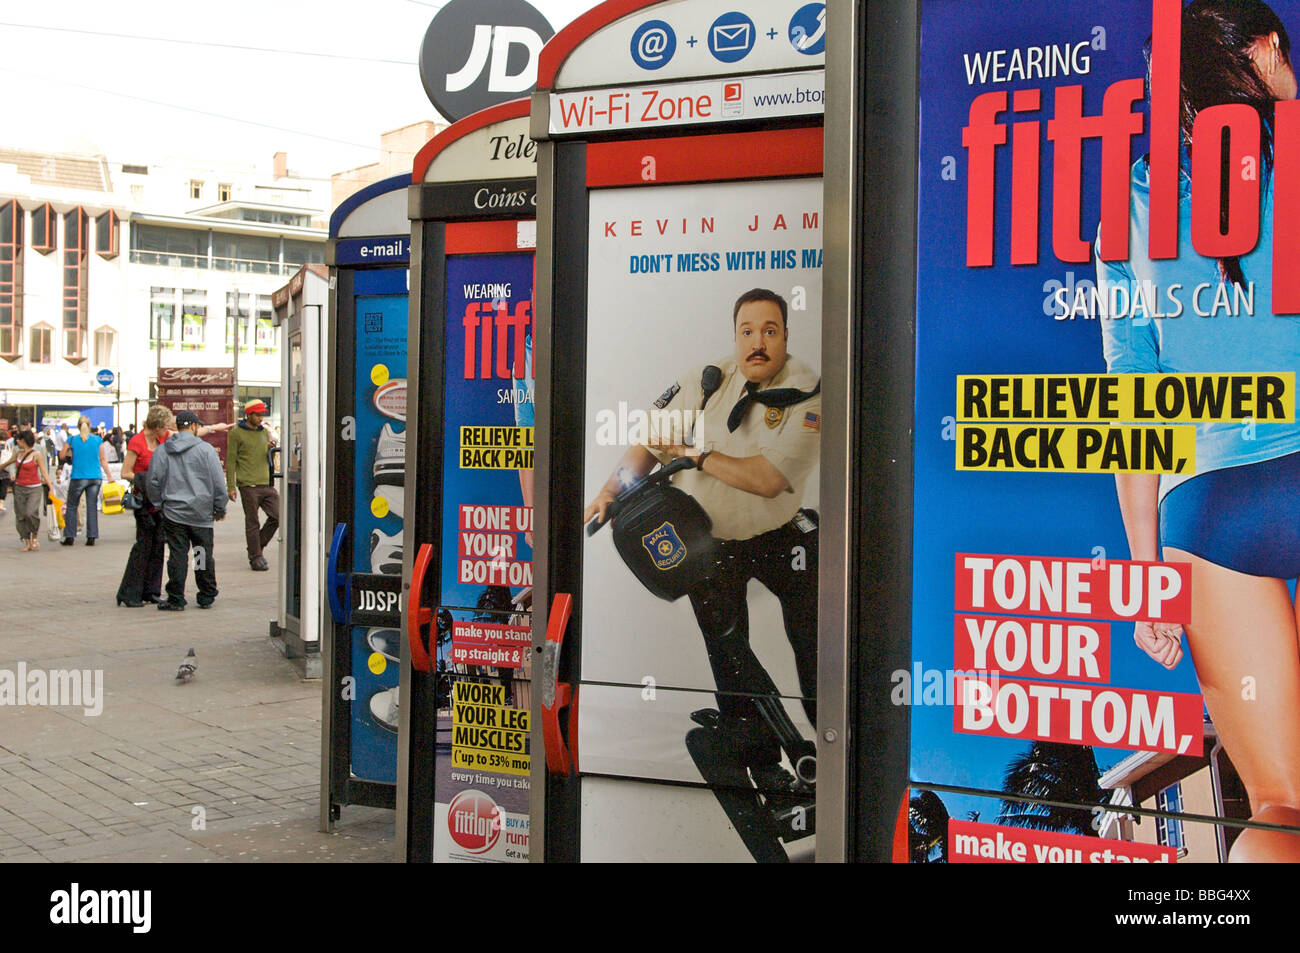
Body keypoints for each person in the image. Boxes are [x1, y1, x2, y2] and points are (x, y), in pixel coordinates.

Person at [1099, 0, 1300, 861]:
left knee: (1283, 799)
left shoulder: (1132, 204)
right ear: (1260, 49)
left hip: (1212, 506)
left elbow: (1135, 406)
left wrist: (1144, 571)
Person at [583, 287, 821, 791]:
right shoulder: (708, 381)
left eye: (770, 331)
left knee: (814, 639)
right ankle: (761, 759)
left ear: (786, 337)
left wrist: (694, 454)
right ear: (736, 336)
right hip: (711, 541)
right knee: (727, 650)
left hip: (779, 535)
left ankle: (833, 739)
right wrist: (609, 490)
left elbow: (767, 479)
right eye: (747, 331)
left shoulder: (807, 393)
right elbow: (651, 442)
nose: (758, 342)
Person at [147, 410, 226, 611]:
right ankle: (205, 594)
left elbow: (153, 481)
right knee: (201, 553)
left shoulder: (163, 450)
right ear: (193, 427)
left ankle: (176, 597)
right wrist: (219, 506)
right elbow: (218, 482)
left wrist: (159, 504)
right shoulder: (206, 450)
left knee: (178, 554)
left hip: (174, 513)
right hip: (200, 513)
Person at [115, 404, 173, 607]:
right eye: (165, 425)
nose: (167, 429)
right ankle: (130, 592)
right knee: (143, 545)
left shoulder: (162, 438)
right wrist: (148, 479)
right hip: (144, 501)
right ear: (156, 425)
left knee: (158, 545)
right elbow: (125, 472)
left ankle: (151, 590)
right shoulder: (137, 442)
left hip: (159, 501)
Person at [225, 399, 279, 571]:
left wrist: (269, 447)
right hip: (248, 484)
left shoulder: (264, 432)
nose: (261, 417)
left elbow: (262, 454)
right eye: (258, 414)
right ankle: (255, 557)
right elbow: (231, 461)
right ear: (249, 414)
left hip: (266, 483)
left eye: (262, 414)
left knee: (277, 516)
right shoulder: (236, 433)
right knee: (252, 521)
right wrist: (231, 487)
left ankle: (256, 546)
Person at [58, 416, 111, 546]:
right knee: (92, 506)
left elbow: (61, 455)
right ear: (90, 425)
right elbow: (102, 459)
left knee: (71, 506)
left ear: (78, 426)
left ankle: (70, 536)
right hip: (95, 477)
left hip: (78, 476)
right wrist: (109, 476)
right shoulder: (98, 439)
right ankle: (91, 536)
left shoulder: (72, 440)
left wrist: (70, 449)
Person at [0, 431, 55, 551]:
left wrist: (50, 487)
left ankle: (34, 536)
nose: (17, 442)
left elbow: (44, 471)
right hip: (19, 488)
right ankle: (26, 541)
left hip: (34, 488)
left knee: (30, 513)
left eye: (18, 440)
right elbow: (7, 464)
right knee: (20, 515)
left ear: (23, 440)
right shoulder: (18, 454)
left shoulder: (37, 454)